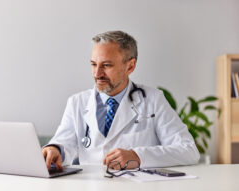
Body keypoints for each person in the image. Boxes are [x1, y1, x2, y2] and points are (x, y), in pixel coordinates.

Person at [42, 30, 200, 171]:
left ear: (130, 66)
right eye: (93, 64)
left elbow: (188, 151)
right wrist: (55, 149)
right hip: (91, 190)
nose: (97, 73)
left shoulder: (153, 99)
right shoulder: (76, 102)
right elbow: (64, 143)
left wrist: (138, 156)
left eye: (106, 65)